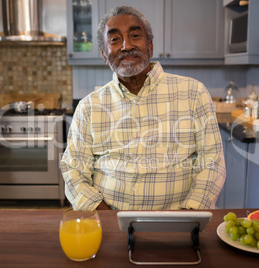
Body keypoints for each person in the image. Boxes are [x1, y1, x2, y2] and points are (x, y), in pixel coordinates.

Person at [61, 6, 226, 211]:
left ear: (150, 46)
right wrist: (106, 218)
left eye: (135, 35)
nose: (126, 45)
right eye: (114, 39)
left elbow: (212, 163)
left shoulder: (194, 93)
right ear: (104, 55)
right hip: (109, 224)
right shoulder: (89, 106)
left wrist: (188, 218)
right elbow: (73, 170)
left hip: (181, 223)